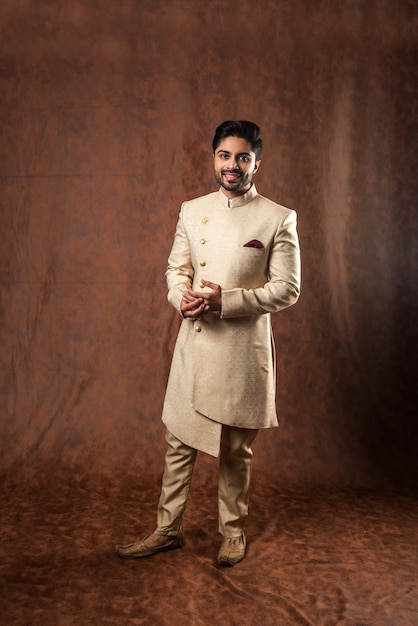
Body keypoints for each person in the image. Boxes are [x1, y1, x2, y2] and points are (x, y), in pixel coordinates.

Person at [116, 120, 301, 566]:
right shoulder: (191, 209)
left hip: (242, 351)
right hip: (195, 342)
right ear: (214, 158)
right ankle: (167, 529)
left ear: (257, 161)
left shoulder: (278, 217)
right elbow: (175, 270)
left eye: (242, 157)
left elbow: (288, 289)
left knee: (236, 449)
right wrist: (182, 298)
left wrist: (227, 302)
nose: (232, 165)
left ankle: (232, 532)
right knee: (178, 442)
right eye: (224, 155)